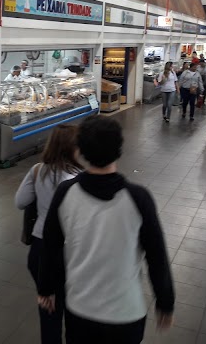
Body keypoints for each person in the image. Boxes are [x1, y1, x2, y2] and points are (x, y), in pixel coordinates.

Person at [37, 116, 174, 343]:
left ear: (79, 151)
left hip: (80, 309)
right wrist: (165, 302)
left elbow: (50, 246)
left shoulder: (65, 193)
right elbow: (156, 255)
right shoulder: (138, 198)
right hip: (126, 312)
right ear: (119, 149)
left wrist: (46, 288)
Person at [15, 125, 82, 344]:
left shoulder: (37, 170)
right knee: (74, 310)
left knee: (48, 309)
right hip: (70, 251)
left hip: (40, 249)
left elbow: (20, 202)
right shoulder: (79, 178)